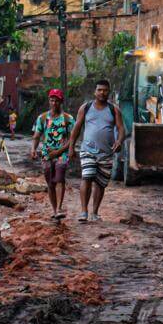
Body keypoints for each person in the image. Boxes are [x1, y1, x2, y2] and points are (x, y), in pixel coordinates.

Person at [68, 78, 126, 223]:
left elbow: (121, 128)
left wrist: (119, 141)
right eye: (99, 90)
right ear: (95, 92)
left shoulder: (114, 110)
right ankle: (83, 211)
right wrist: (71, 147)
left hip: (106, 153)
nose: (102, 92)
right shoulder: (86, 108)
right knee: (87, 176)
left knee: (100, 183)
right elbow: (76, 128)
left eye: (105, 90)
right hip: (87, 150)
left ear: (109, 92)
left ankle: (95, 213)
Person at [31, 89, 75, 221]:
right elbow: (37, 135)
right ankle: (55, 210)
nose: (54, 103)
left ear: (61, 102)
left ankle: (60, 208)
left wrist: (62, 150)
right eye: (52, 100)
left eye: (56, 100)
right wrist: (33, 149)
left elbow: (72, 138)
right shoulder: (42, 118)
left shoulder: (68, 119)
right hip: (46, 154)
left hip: (62, 153)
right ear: (49, 101)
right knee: (50, 182)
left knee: (60, 177)